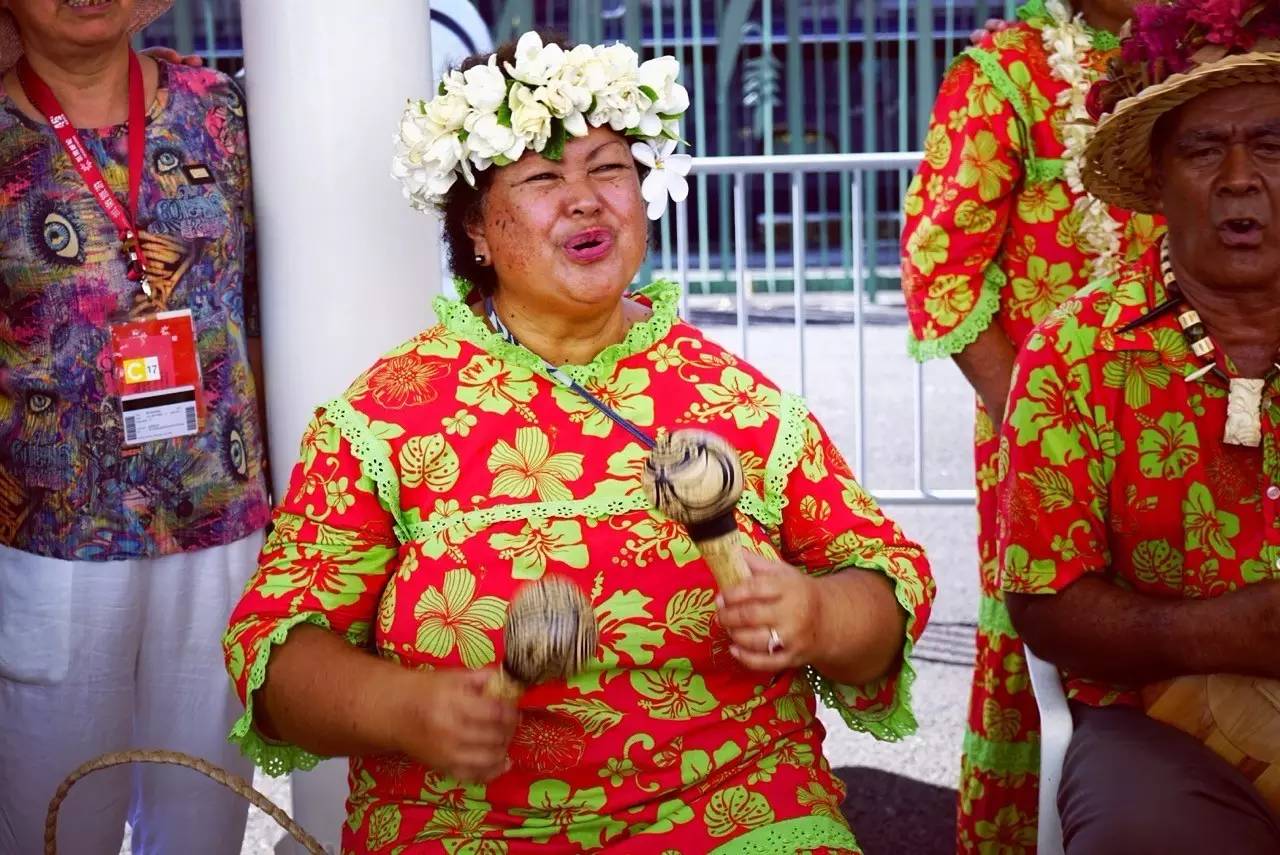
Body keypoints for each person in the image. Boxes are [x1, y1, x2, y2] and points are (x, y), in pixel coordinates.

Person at [222, 31, 935, 854]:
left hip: (735, 812)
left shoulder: (740, 401)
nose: (587, 197)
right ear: (477, 229)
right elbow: (274, 654)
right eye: (540, 176)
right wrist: (405, 709)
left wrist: (817, 613)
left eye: (608, 168)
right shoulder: (384, 419)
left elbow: (888, 588)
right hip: (464, 828)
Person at [999, 1, 1280, 851]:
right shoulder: (1075, 351)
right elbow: (1044, 604)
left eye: (1271, 145)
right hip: (1151, 721)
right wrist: (1226, 631)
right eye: (1204, 148)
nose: (1239, 176)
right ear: (1158, 178)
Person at [0, 0, 271, 852]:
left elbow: (264, 299)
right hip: (51, 535)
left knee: (204, 817)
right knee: (53, 821)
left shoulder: (218, 110)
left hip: (219, 515)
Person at [898, 1, 1162, 849]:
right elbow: (940, 267)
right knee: (1052, 643)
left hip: (1198, 416)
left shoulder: (1212, 54)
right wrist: (1041, 426)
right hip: (1042, 434)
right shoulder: (1004, 72)